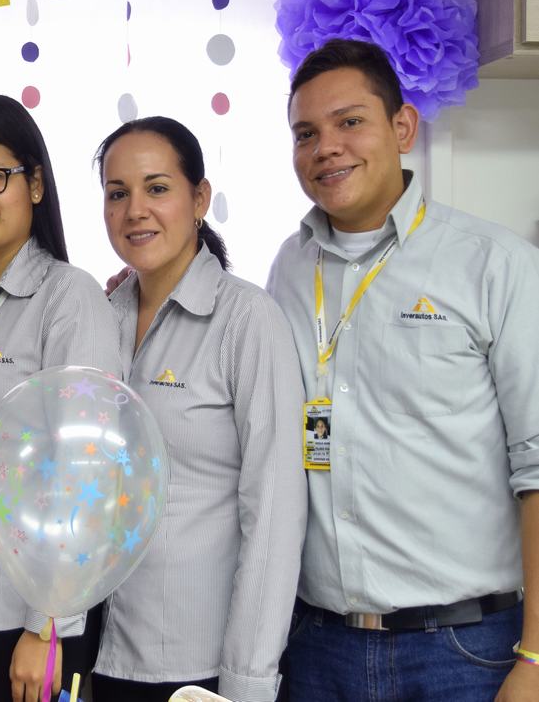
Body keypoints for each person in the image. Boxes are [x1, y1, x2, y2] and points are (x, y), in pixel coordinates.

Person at [267, 38, 539, 700]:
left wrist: (534, 659)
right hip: (316, 646)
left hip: (461, 652)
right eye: (305, 133)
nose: (325, 146)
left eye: (349, 121)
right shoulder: (287, 268)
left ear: (402, 126)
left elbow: (535, 466)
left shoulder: (492, 264)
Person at [90, 117, 305, 702]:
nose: (136, 210)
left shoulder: (246, 320)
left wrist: (249, 682)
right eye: (117, 193)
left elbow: (275, 511)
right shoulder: (99, 318)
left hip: (199, 664)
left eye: (157, 188)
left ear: (200, 198)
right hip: (100, 652)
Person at [0, 94, 121, 702]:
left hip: (27, 619)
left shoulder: (70, 298)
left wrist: (49, 626)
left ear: (34, 183)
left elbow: (87, 472)